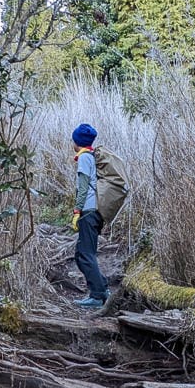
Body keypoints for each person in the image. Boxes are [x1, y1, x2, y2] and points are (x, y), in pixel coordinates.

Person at [70, 123, 109, 308]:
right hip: (95, 211)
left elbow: (83, 187)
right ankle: (103, 288)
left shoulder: (85, 158)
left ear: (77, 141)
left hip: (89, 211)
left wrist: (77, 211)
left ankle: (98, 296)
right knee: (82, 254)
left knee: (85, 254)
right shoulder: (92, 156)